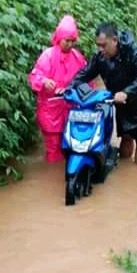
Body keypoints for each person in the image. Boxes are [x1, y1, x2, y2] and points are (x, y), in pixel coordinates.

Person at [69, 23, 137, 165]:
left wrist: (126, 92)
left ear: (115, 40)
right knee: (125, 135)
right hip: (119, 101)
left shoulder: (136, 52)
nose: (100, 49)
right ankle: (124, 171)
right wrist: (69, 87)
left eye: (104, 45)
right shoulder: (100, 57)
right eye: (98, 45)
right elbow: (84, 74)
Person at [28, 15, 91, 163]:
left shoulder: (77, 57)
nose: (69, 44)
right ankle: (52, 175)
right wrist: (44, 81)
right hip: (51, 110)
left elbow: (86, 79)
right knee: (52, 147)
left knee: (70, 146)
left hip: (71, 108)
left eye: (72, 41)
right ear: (59, 38)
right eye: (66, 40)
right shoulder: (48, 56)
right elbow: (35, 75)